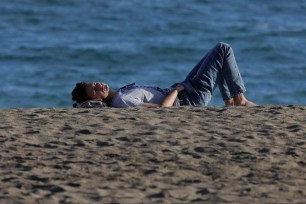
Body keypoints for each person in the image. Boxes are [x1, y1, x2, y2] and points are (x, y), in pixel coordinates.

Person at [72, 42, 257, 108]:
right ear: (97, 100)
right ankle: (239, 100)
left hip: (185, 89)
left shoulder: (120, 94)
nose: (99, 86)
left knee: (215, 57)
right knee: (222, 49)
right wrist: (177, 90)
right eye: (95, 90)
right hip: (188, 99)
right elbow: (162, 109)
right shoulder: (123, 100)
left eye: (94, 83)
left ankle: (231, 102)